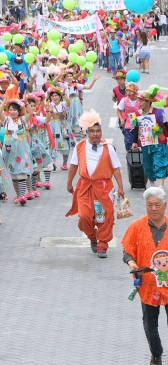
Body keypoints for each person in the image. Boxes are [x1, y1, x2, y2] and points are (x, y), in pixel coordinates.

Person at [66, 110, 124, 258]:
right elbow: (73, 166)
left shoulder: (108, 148)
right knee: (85, 216)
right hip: (85, 186)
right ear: (87, 132)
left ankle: (103, 244)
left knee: (105, 215)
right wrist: (69, 183)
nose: (95, 134)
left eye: (98, 131)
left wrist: (121, 187)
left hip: (104, 187)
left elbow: (116, 169)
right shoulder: (79, 146)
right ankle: (92, 236)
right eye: (92, 131)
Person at [122, 187, 168, 365]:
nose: (154, 208)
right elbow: (128, 252)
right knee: (150, 326)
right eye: (150, 205)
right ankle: (156, 355)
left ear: (164, 205)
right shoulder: (136, 227)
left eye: (157, 205)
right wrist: (132, 263)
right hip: (148, 286)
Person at [132, 87, 168, 187]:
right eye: (139, 100)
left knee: (159, 163)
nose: (139, 102)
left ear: (148, 102)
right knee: (148, 165)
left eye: (142, 100)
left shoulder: (159, 113)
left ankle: (160, 187)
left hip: (159, 144)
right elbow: (136, 128)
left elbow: (166, 126)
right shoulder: (137, 114)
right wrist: (135, 142)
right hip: (145, 144)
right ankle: (152, 185)